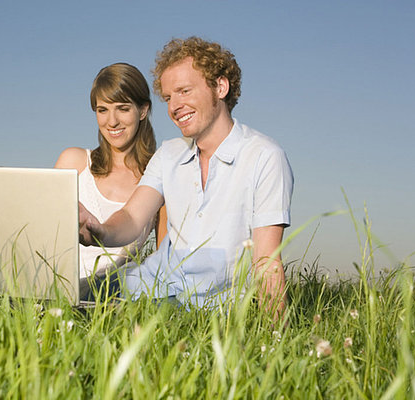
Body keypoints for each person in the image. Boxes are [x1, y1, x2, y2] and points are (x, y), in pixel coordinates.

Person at [79, 37, 294, 317]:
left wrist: (274, 342)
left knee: (120, 323)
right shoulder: (169, 154)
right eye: (169, 98)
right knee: (47, 299)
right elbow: (132, 218)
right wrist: (100, 231)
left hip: (206, 306)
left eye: (184, 91)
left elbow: (266, 261)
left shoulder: (264, 156)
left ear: (220, 87)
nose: (174, 106)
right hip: (147, 285)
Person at [55, 63, 161, 298]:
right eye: (102, 110)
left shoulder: (158, 175)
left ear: (142, 111)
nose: (111, 121)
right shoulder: (74, 161)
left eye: (122, 108)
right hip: (56, 283)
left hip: (110, 291)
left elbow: (164, 259)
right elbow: (42, 236)